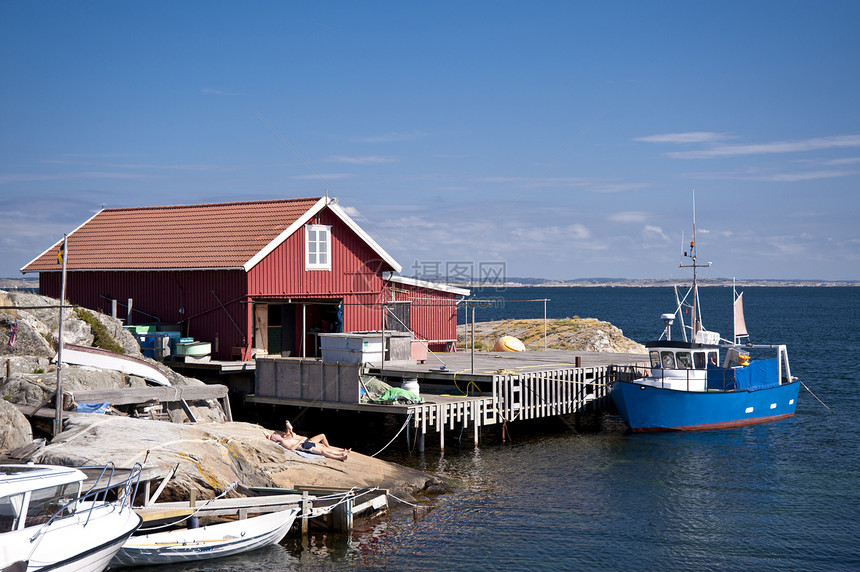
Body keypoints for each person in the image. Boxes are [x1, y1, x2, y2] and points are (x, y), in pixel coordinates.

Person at [267, 421, 349, 461]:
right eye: (276, 434)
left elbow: (287, 424)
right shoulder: (283, 441)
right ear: (276, 438)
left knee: (323, 449)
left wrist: (289, 426)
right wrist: (300, 442)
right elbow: (291, 448)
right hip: (303, 444)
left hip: (305, 442)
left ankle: (341, 453)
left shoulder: (286, 437)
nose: (280, 433)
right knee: (323, 451)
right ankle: (341, 456)